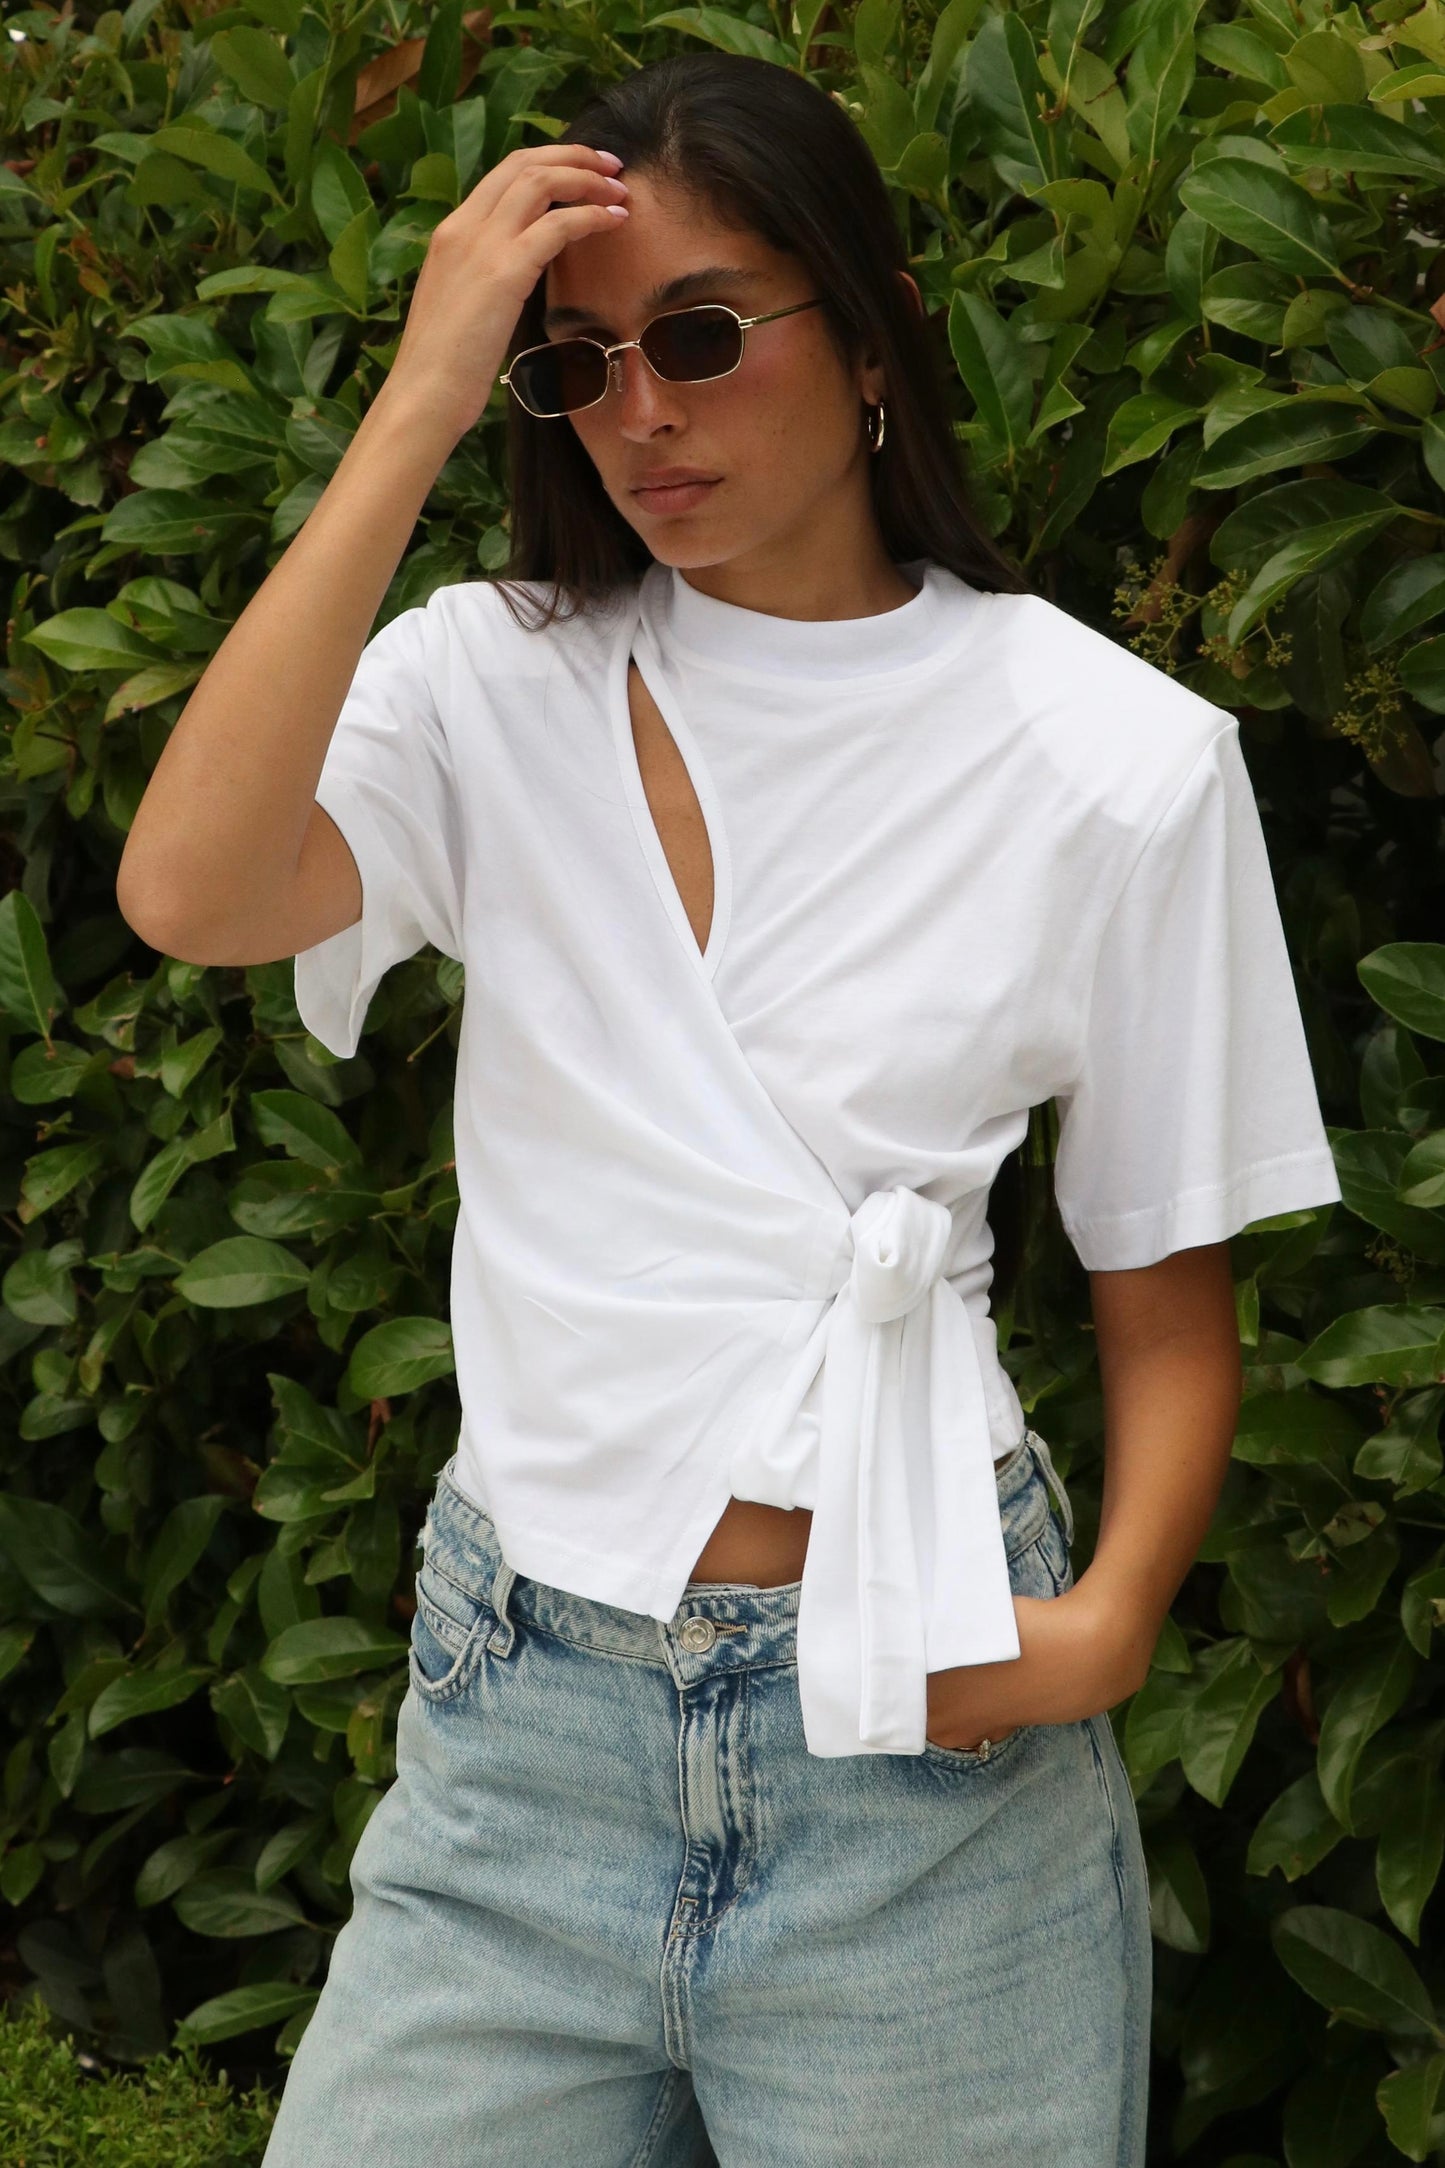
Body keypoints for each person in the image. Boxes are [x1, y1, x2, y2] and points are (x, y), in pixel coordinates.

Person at [116, 50, 1343, 2168]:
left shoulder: (1115, 758)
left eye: (697, 335)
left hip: (919, 1736)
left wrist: (1108, 1626)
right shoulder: (485, 683)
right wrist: (418, 399)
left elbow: (1162, 1280)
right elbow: (191, 894)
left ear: (869, 334)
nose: (639, 413)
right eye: (573, 364)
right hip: (520, 1731)